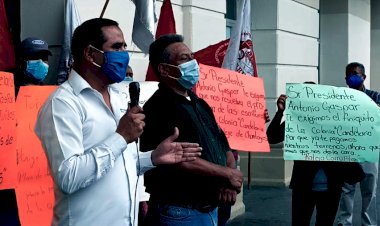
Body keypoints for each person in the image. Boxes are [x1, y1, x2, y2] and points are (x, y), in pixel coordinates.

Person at [34, 18, 202, 226]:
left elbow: (119, 165)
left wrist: (153, 158)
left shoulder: (118, 95)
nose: (124, 54)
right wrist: (120, 137)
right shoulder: (63, 104)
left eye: (124, 46)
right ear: (90, 54)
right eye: (116, 47)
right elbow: (69, 177)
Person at [140, 34, 243, 226]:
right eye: (184, 59)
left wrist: (228, 181)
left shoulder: (200, 103)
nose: (193, 64)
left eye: (192, 57)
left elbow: (223, 147)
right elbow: (178, 160)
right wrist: (226, 174)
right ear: (164, 69)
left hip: (213, 207)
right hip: (182, 212)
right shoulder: (159, 107)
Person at [267, 83, 364, 226]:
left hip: (331, 187)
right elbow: (272, 137)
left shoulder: (334, 122)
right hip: (303, 186)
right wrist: (280, 112)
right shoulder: (296, 124)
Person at [0, 36, 52, 226]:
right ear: (21, 62)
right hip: (7, 194)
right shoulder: (3, 91)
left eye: (45, 59)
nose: (42, 63)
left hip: (40, 190)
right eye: (36, 58)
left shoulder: (51, 96)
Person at [336, 62, 380, 226]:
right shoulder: (339, 98)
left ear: (364, 77)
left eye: (356, 74)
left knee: (370, 191)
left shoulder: (375, 96)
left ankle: (368, 224)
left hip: (369, 151)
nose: (352, 77)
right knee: (346, 190)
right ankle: (344, 223)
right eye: (349, 75)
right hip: (348, 151)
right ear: (346, 78)